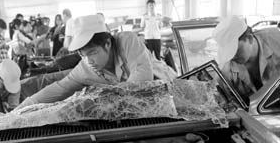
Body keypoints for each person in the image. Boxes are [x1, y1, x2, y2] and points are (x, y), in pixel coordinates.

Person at [16, 14, 175, 110]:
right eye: (83, 55)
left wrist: (107, 99)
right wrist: (18, 110)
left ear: (107, 44)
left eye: (92, 52)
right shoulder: (85, 68)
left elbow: (142, 77)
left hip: (173, 93)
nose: (88, 60)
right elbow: (59, 88)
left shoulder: (126, 41)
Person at [212, 15, 280, 102]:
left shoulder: (276, 44)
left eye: (236, 50)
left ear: (250, 39)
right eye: (229, 52)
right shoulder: (226, 71)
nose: (232, 56)